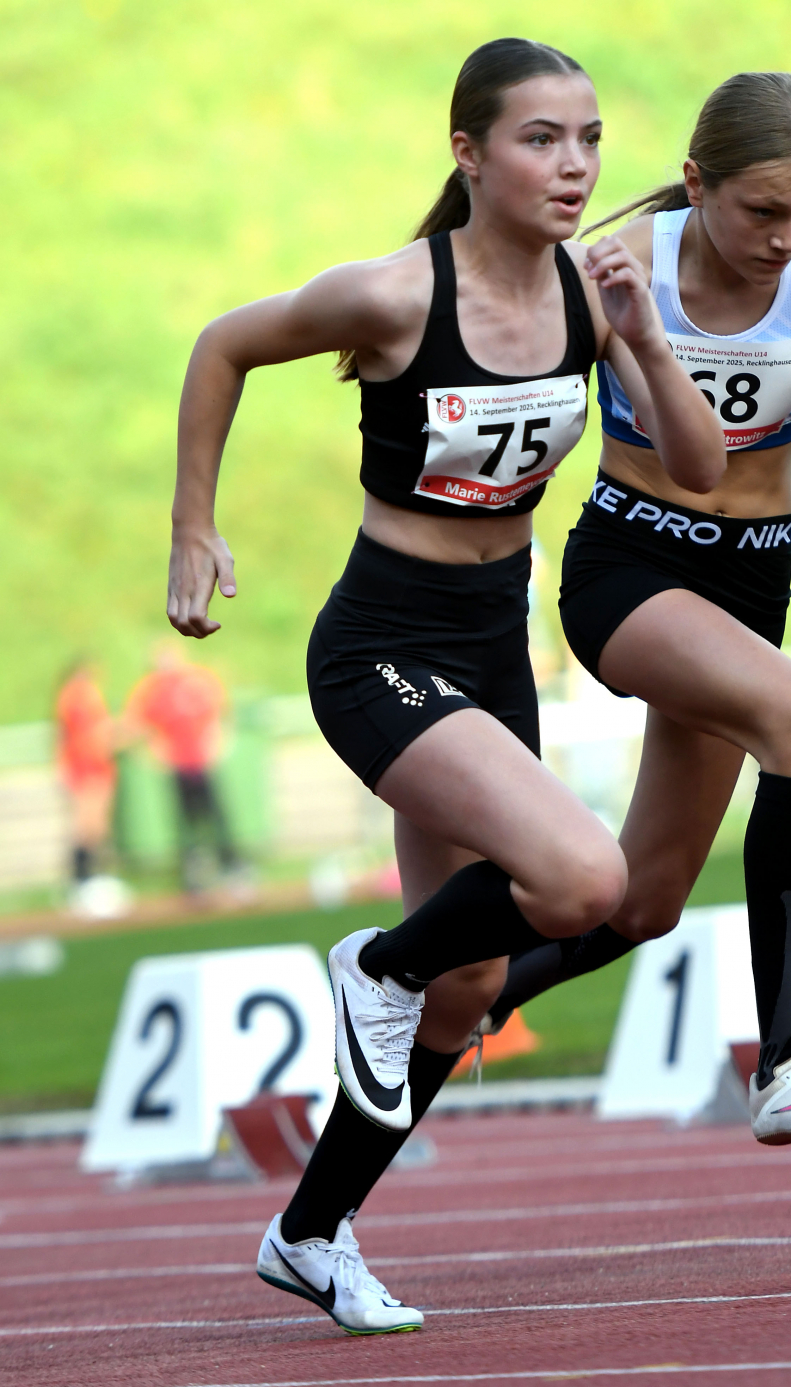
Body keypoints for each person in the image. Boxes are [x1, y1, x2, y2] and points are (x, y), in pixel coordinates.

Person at [168, 38, 722, 1334]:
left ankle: (308, 1230)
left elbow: (694, 466)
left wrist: (638, 339)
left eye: (586, 138)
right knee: (581, 881)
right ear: (467, 153)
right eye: (539, 138)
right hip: (378, 647)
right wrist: (195, 526)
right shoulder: (391, 298)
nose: (573, 164)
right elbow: (221, 345)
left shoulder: (594, 299)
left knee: (467, 987)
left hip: (486, 651)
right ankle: (373, 960)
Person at [483, 70, 791, 1149]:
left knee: (646, 898)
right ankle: (785, 1055)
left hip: (755, 586)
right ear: (693, 184)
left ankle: (440, 982)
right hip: (634, 571)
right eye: (762, 211)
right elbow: (488, 370)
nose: (781, 238)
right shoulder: (610, 273)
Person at [124, 642, 239, 891]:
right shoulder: (151, 688)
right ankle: (193, 873)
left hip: (201, 761)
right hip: (178, 764)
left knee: (216, 814)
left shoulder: (197, 680)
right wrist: (153, 750)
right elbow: (135, 723)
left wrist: (217, 741)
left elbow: (220, 711)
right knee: (185, 821)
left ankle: (232, 866)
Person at [56, 660, 117, 893]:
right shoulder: (75, 698)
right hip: (85, 770)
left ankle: (91, 877)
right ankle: (81, 879)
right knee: (85, 826)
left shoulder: (87, 697)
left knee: (98, 828)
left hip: (97, 769)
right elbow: (83, 736)